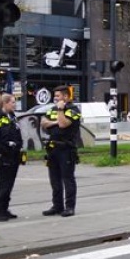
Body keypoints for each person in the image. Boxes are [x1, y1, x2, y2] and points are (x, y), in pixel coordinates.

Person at [40, 85, 81, 217]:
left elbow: (63, 124)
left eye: (57, 96)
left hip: (66, 149)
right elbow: (43, 123)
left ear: (65, 96)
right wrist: (54, 122)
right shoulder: (52, 109)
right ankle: (57, 206)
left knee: (67, 179)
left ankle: (69, 207)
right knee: (54, 179)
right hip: (52, 149)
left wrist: (60, 111)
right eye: (55, 96)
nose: (55, 98)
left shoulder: (73, 109)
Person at [0, 94, 23, 221]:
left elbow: (16, 134)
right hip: (3, 156)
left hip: (13, 155)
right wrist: (4, 150)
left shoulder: (12, 117)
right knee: (1, 183)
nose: (14, 104)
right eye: (12, 102)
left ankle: (4, 209)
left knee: (9, 184)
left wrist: (18, 145)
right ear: (4, 104)